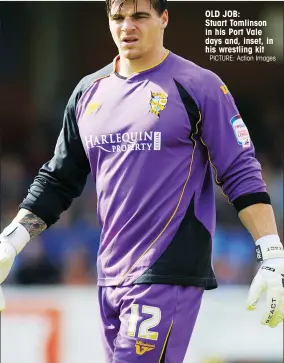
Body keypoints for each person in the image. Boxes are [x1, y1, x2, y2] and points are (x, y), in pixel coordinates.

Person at [0, 0, 283, 362]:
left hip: (166, 269)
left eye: (139, 16)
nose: (127, 26)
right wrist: (11, 242)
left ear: (164, 19)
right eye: (118, 17)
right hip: (109, 274)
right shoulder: (89, 92)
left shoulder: (199, 86)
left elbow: (240, 170)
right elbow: (57, 180)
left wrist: (272, 254)